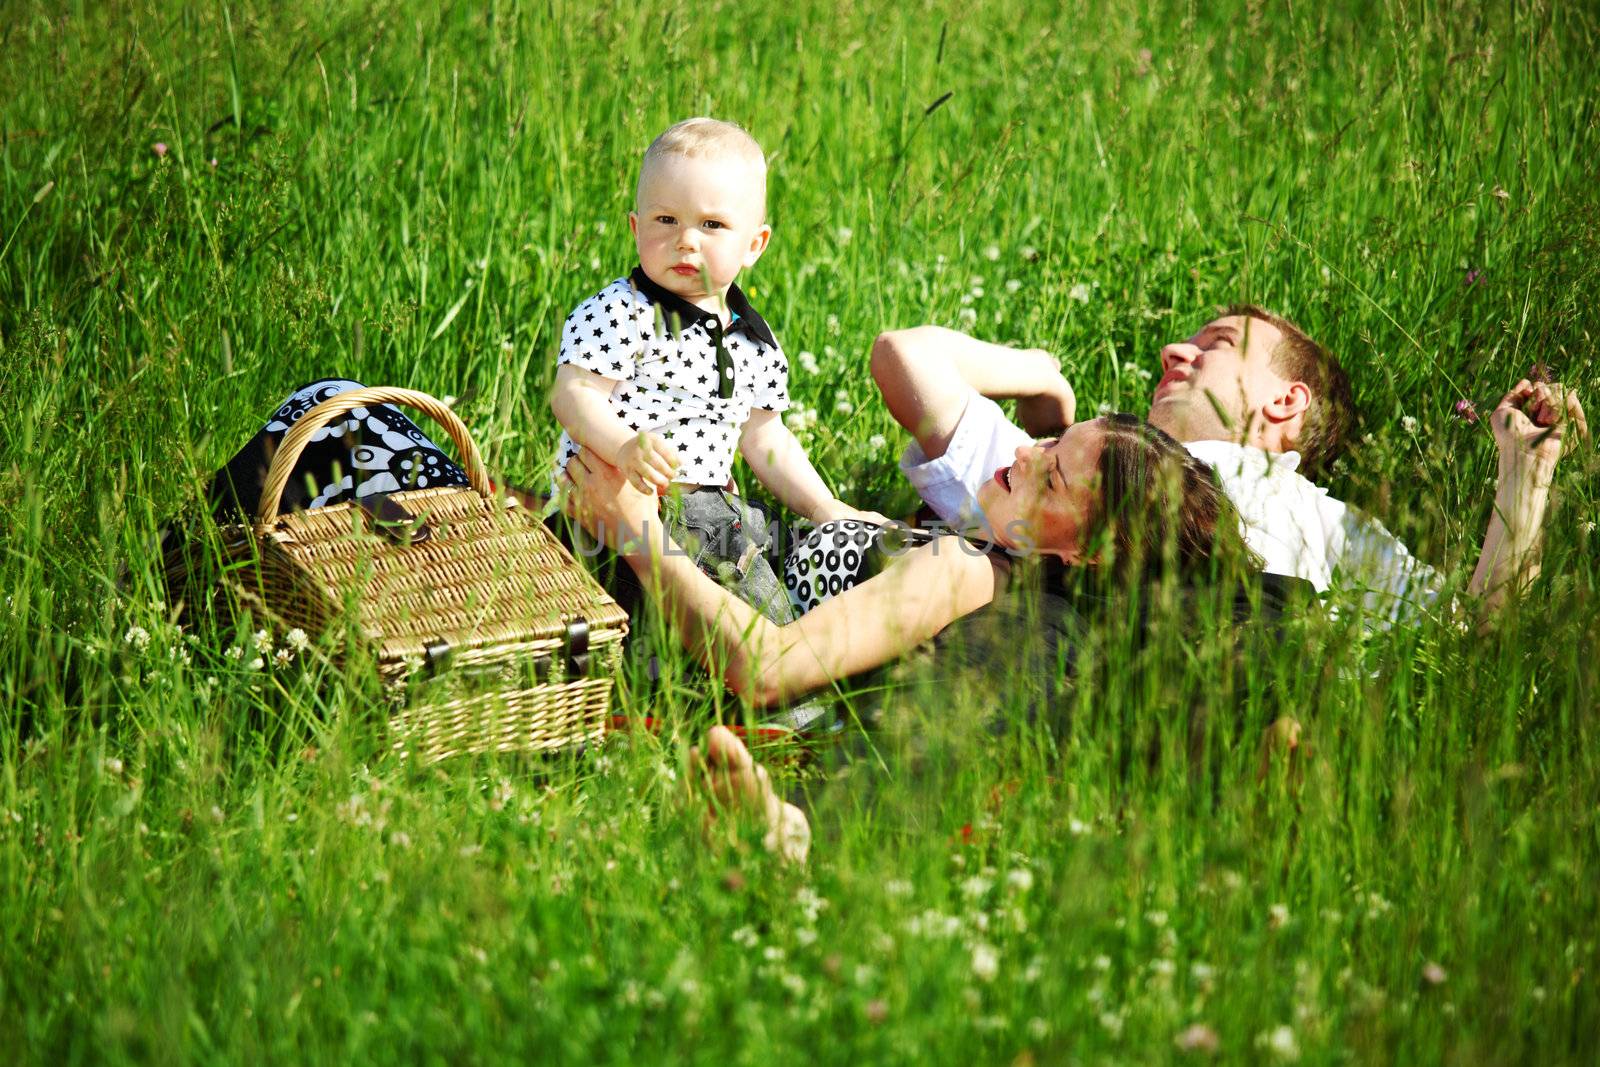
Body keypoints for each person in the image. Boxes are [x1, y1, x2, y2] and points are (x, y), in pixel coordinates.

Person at [868, 311, 1588, 622]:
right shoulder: (1092, 481)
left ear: (1286, 404)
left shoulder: (1339, 528)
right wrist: (1046, 384)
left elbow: (1481, 639)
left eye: (1212, 345)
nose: (1172, 354)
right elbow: (904, 357)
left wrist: (1525, 479)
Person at [548, 117, 879, 627]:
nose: (686, 241)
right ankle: (790, 697)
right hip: (616, 503)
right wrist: (623, 446)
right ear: (636, 227)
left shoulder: (754, 340)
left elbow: (766, 439)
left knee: (761, 573)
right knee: (753, 612)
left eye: (711, 225)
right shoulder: (624, 310)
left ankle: (773, 676)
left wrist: (825, 507)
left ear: (754, 245)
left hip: (709, 510)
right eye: (665, 221)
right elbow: (573, 395)